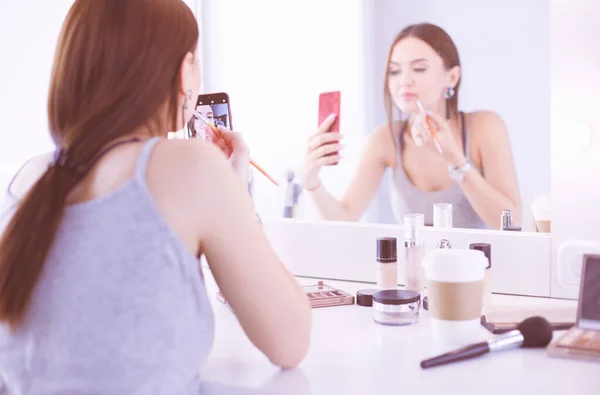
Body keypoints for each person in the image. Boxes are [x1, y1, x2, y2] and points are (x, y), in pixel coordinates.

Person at [0, 1, 311, 393]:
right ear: (185, 73)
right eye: (197, 62)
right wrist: (236, 199)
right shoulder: (189, 167)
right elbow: (291, 341)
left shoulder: (28, 181)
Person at [301, 23, 522, 230]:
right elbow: (345, 217)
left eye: (419, 68)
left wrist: (455, 160)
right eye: (395, 71)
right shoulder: (384, 140)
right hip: (414, 267)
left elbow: (512, 223)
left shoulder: (485, 127)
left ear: (452, 77)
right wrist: (311, 182)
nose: (404, 80)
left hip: (480, 269)